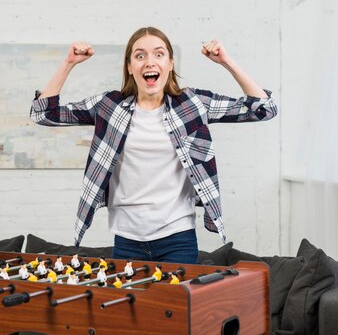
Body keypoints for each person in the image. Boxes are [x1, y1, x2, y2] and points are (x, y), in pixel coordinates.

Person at [31, 26, 277, 264]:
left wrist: (227, 62)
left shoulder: (192, 104)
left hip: (178, 239)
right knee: (131, 307)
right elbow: (43, 113)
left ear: (170, 64)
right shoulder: (109, 106)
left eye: (159, 54)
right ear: (129, 66)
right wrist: (68, 63)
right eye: (140, 55)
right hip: (127, 240)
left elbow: (264, 109)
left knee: (177, 307)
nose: (150, 62)